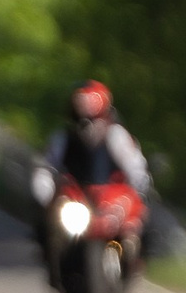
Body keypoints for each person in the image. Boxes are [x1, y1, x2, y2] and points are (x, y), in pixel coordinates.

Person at [31, 81, 152, 244]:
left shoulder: (117, 136)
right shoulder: (63, 138)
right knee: (50, 231)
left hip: (112, 199)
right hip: (76, 199)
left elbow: (135, 167)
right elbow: (46, 168)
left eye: (94, 122)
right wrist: (45, 195)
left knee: (133, 232)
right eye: (83, 123)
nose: (89, 129)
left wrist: (139, 191)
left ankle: (131, 253)